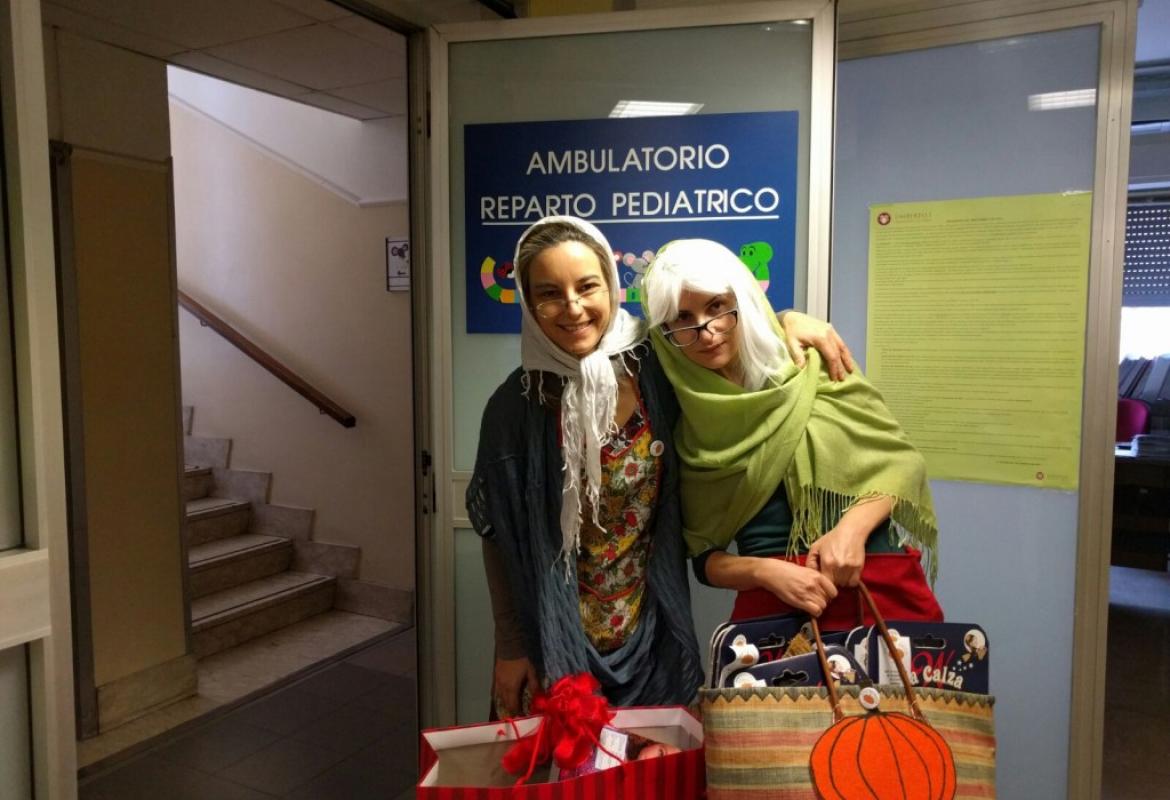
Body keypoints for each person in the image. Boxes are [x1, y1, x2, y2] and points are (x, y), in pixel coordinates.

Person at [467, 216, 855, 718]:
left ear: (611, 285)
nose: (573, 307)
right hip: (550, 640)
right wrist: (510, 646)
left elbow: (721, 340)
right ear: (527, 302)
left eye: (587, 286)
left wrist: (786, 321)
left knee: (651, 762)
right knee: (561, 761)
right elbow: (498, 537)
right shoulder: (513, 407)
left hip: (651, 639)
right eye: (549, 294)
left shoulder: (660, 367)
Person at [641, 238, 943, 626]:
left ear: (743, 300)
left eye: (717, 306)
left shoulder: (816, 364)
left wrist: (852, 531)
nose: (708, 332)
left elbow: (901, 463)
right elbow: (703, 558)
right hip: (775, 609)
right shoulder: (685, 423)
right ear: (664, 331)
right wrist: (764, 571)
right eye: (683, 319)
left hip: (879, 590)